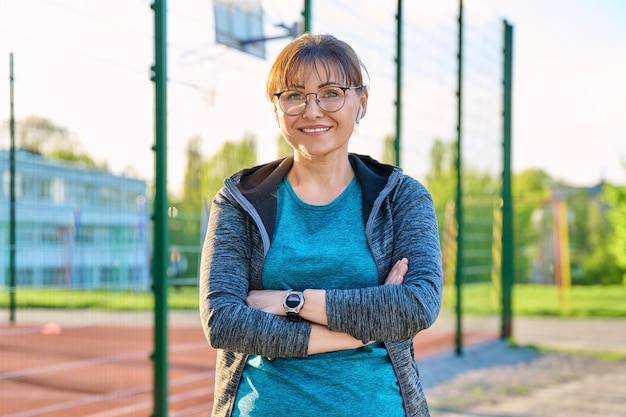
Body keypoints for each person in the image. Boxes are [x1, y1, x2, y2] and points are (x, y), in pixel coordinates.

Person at [199, 33, 443, 417]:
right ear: (276, 108)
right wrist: (359, 330)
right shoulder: (240, 199)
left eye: (331, 93)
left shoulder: (402, 198)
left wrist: (287, 302)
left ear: (361, 102)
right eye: (294, 95)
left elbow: (416, 304)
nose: (312, 111)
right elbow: (224, 322)